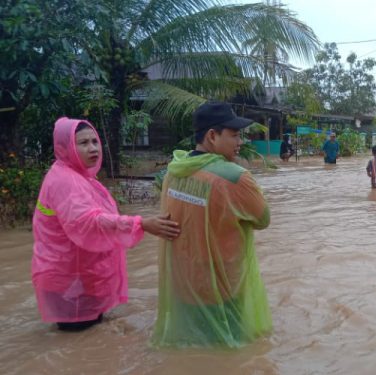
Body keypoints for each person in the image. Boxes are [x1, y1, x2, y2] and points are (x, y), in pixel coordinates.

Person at [32, 117, 180, 332]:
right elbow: (88, 222)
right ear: (65, 148)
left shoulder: (76, 175)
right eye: (83, 143)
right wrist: (142, 224)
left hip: (77, 277)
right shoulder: (66, 181)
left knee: (88, 343)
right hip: (69, 281)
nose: (93, 148)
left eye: (95, 141)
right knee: (81, 350)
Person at [151, 101, 272, 348]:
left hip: (184, 283)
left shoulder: (174, 171)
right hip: (223, 286)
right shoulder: (234, 177)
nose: (241, 142)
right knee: (229, 352)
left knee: (192, 349)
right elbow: (263, 220)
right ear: (212, 136)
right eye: (235, 135)